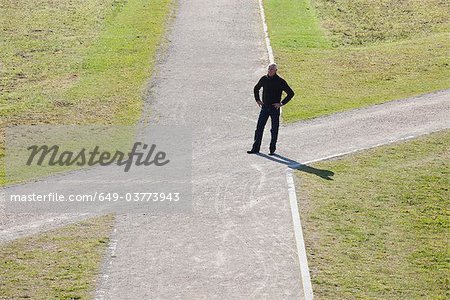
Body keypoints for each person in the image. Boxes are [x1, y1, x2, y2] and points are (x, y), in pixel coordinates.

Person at [247, 63, 294, 155]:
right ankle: (255, 148)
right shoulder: (264, 79)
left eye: (272, 69)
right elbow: (256, 88)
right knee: (259, 128)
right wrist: (258, 100)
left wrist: (281, 103)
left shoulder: (280, 81)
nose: (270, 70)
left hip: (274, 108)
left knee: (274, 129)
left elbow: (291, 93)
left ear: (276, 70)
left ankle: (272, 149)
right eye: (269, 69)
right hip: (264, 107)